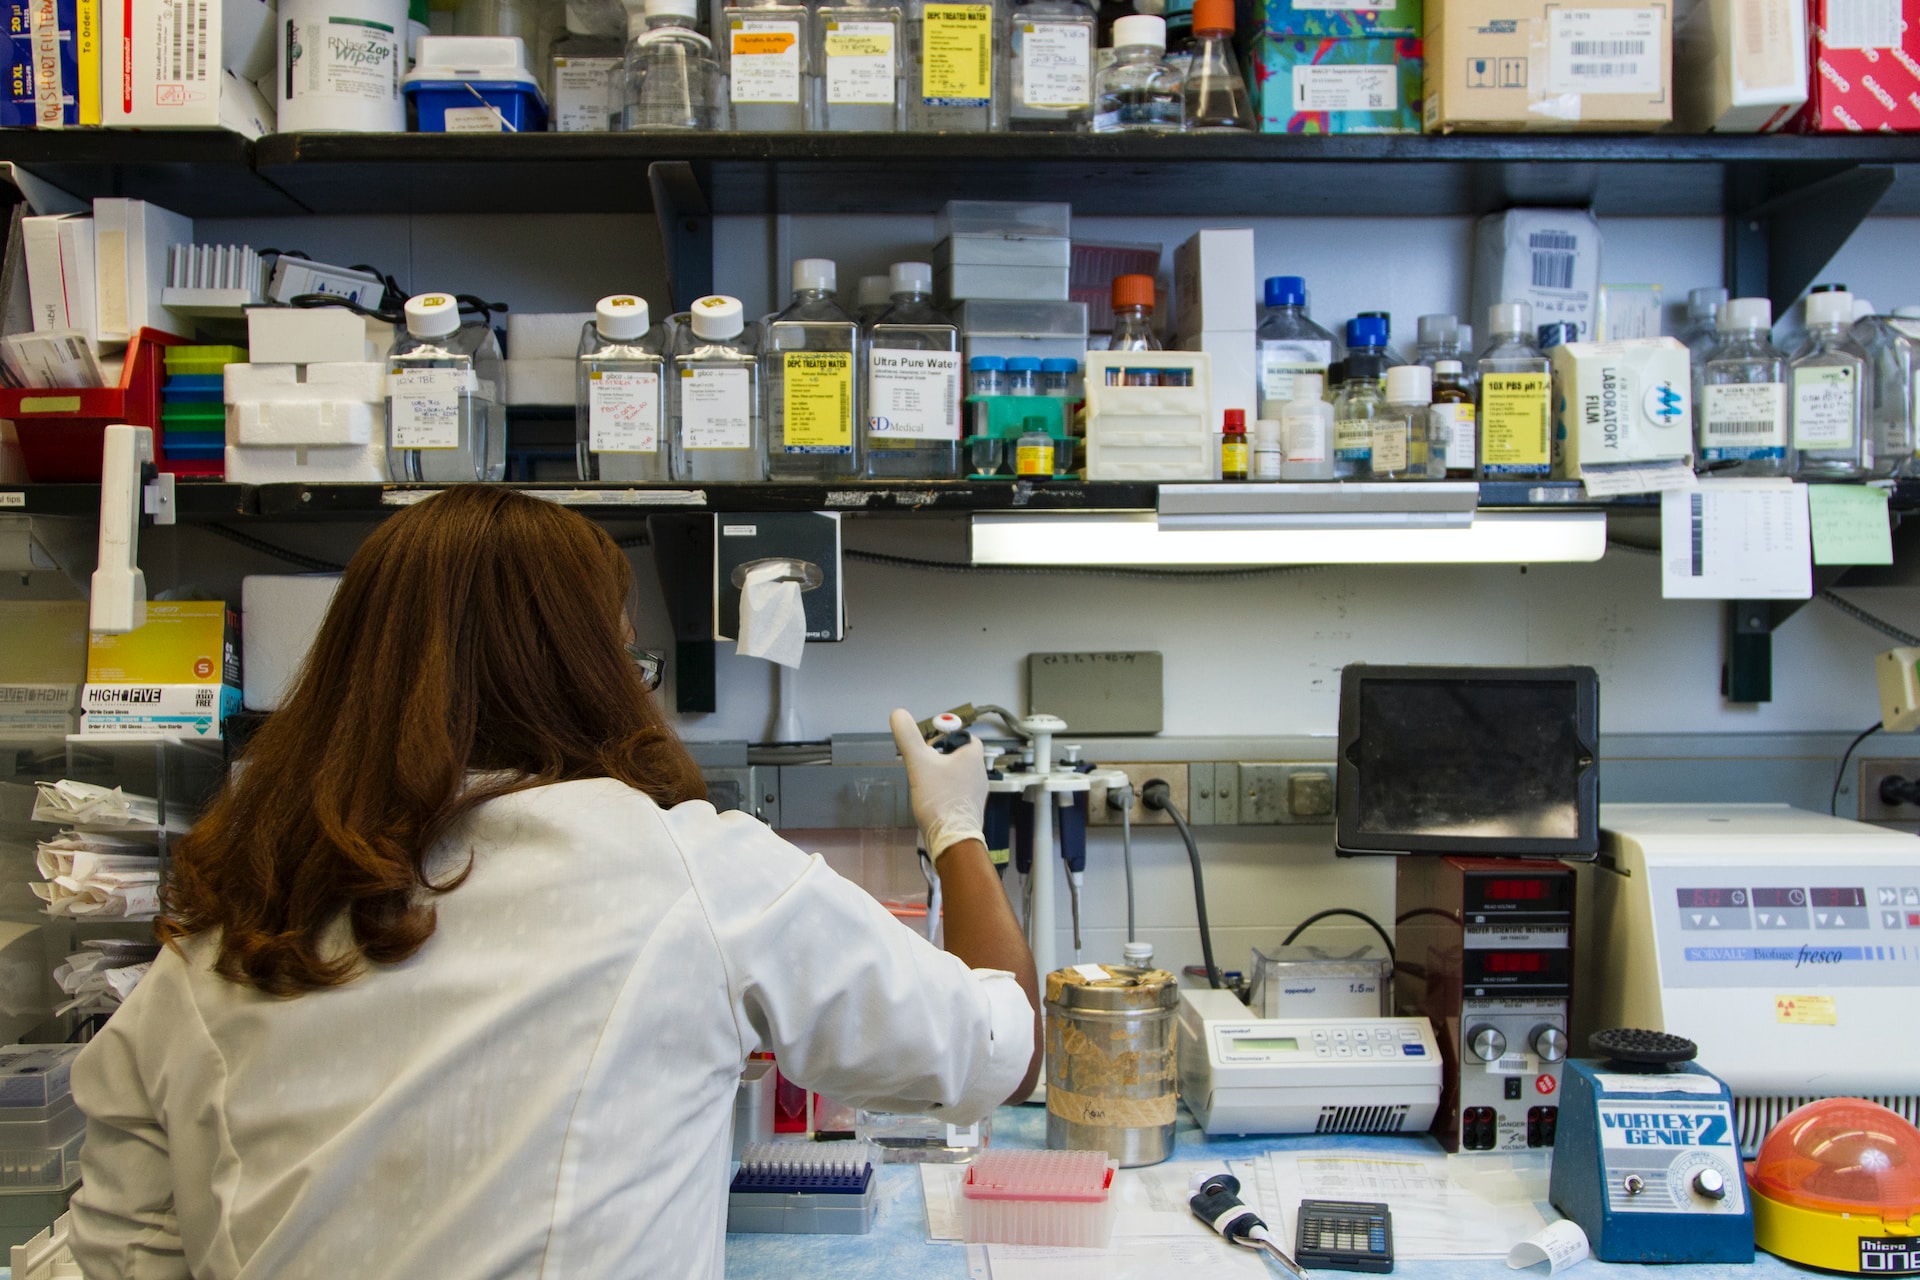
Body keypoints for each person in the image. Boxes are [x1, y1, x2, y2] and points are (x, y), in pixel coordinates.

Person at [69, 485, 1039, 1279]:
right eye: (625, 652)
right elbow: (1003, 1046)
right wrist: (957, 825)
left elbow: (116, 1256)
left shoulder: (220, 936)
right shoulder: (689, 873)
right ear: (583, 672)